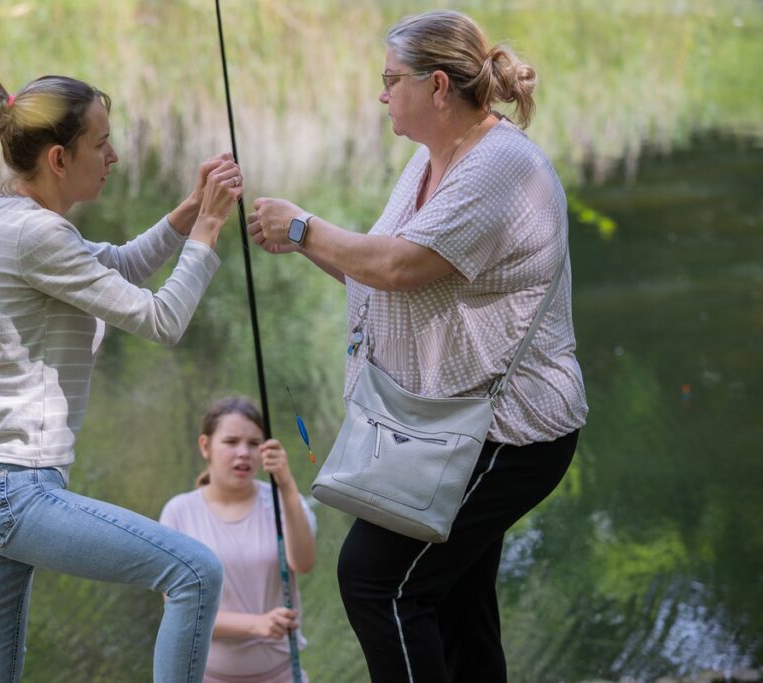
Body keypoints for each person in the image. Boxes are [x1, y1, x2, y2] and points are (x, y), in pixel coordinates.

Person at [248, 10, 588, 683]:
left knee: (379, 584)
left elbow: (401, 266)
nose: (381, 95)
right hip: (449, 426)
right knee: (456, 601)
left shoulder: (499, 167)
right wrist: (302, 241)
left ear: (437, 86)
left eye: (389, 80)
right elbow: (381, 271)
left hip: (511, 432)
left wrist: (302, 227)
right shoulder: (431, 160)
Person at [0, 72, 245, 683]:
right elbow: (161, 318)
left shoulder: (4, 219)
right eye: (100, 144)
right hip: (12, 489)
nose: (113, 156)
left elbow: (119, 267)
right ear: (59, 158)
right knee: (195, 572)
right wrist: (209, 231)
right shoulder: (37, 235)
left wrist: (187, 214)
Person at [160, 397, 317, 683]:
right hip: (205, 676)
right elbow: (179, 608)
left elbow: (303, 562)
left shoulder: (284, 502)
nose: (244, 453)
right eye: (231, 442)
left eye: (254, 443)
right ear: (205, 446)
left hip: (282, 675)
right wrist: (256, 625)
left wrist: (287, 484)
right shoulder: (178, 512)